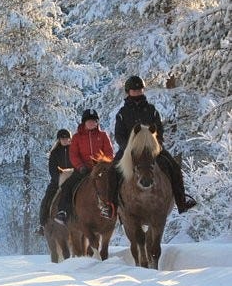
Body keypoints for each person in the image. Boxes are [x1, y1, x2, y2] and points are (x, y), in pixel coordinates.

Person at [107, 75, 197, 214]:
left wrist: (157, 145)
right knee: (112, 171)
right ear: (128, 92)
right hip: (130, 151)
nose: (137, 92)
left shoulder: (151, 109)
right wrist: (128, 148)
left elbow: (159, 130)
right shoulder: (122, 113)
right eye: (134, 90)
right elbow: (119, 135)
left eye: (140, 90)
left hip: (152, 150)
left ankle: (181, 201)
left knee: (173, 167)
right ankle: (111, 207)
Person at [54, 109, 114, 225]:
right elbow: (73, 155)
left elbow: (109, 152)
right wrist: (80, 166)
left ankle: (116, 210)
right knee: (67, 185)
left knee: (115, 184)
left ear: (97, 123)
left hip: (100, 170)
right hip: (83, 170)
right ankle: (64, 212)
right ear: (84, 123)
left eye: (94, 121)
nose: (91, 123)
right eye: (89, 121)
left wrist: (104, 165)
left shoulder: (103, 135)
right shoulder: (77, 137)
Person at [36, 129, 72, 235]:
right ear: (59, 140)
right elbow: (52, 169)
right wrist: (59, 179)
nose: (65, 140)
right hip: (58, 180)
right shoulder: (55, 153)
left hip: (73, 178)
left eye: (67, 138)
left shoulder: (74, 150)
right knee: (47, 198)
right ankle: (43, 224)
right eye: (63, 139)